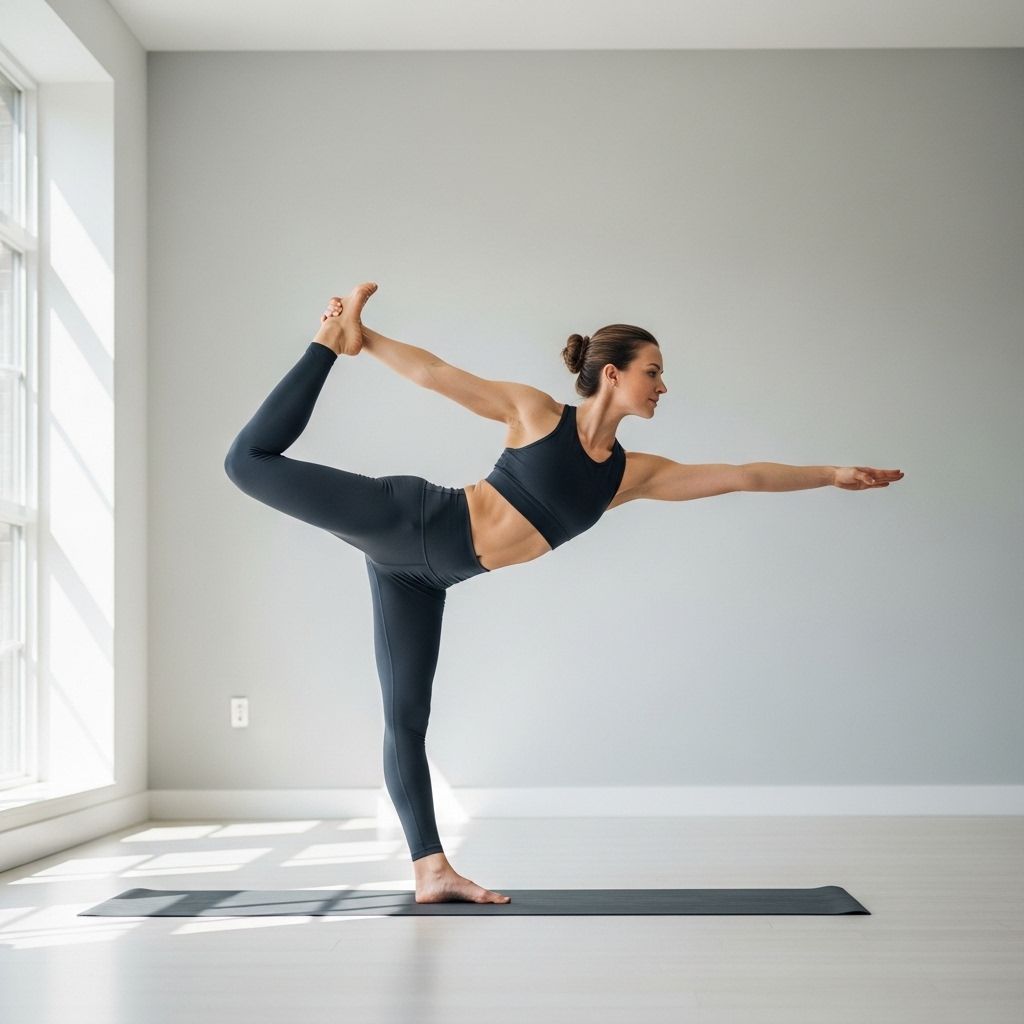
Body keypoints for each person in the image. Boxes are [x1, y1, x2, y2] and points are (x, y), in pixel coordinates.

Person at [224, 282, 904, 904]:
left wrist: (831, 473)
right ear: (613, 373)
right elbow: (437, 375)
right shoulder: (536, 414)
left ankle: (432, 870)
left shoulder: (631, 475)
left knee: (406, 718)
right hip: (415, 520)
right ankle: (325, 346)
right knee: (247, 463)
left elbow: (742, 476)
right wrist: (360, 338)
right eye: (653, 371)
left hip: (424, 577)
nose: (663, 385)